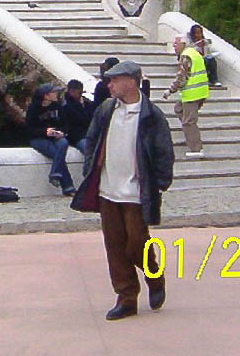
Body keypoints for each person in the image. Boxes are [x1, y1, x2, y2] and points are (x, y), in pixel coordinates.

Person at [72, 60, 175, 321]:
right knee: (115, 247)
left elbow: (164, 152)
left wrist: (160, 182)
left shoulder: (152, 116)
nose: (109, 85)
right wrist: (89, 169)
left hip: (136, 192)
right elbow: (92, 138)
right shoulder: (107, 109)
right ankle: (126, 297)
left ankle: (154, 276)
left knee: (137, 243)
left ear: (131, 82)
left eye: (114, 80)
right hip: (108, 190)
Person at [26, 83, 76, 195]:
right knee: (56, 154)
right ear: (46, 95)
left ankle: (55, 173)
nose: (56, 94)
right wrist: (45, 132)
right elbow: (29, 129)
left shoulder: (57, 106)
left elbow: (65, 124)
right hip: (38, 139)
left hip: (56, 137)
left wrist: (61, 132)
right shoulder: (34, 108)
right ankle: (68, 186)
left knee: (63, 143)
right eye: (54, 92)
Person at [164, 35, 208, 158]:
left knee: (188, 122)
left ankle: (196, 149)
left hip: (192, 93)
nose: (174, 46)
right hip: (200, 91)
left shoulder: (186, 56)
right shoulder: (194, 53)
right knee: (179, 109)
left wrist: (170, 90)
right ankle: (191, 136)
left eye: (176, 43)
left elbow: (182, 77)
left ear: (183, 44)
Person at [61, 79, 94, 155]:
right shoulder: (66, 106)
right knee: (88, 150)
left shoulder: (88, 104)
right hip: (77, 137)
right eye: (72, 90)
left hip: (90, 134)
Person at [189, 23, 223, 89]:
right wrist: (197, 46)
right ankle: (203, 80)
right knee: (204, 61)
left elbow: (207, 53)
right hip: (194, 62)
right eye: (197, 33)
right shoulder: (190, 43)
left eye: (200, 33)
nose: (199, 35)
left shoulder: (205, 43)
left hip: (205, 59)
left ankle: (214, 80)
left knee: (212, 60)